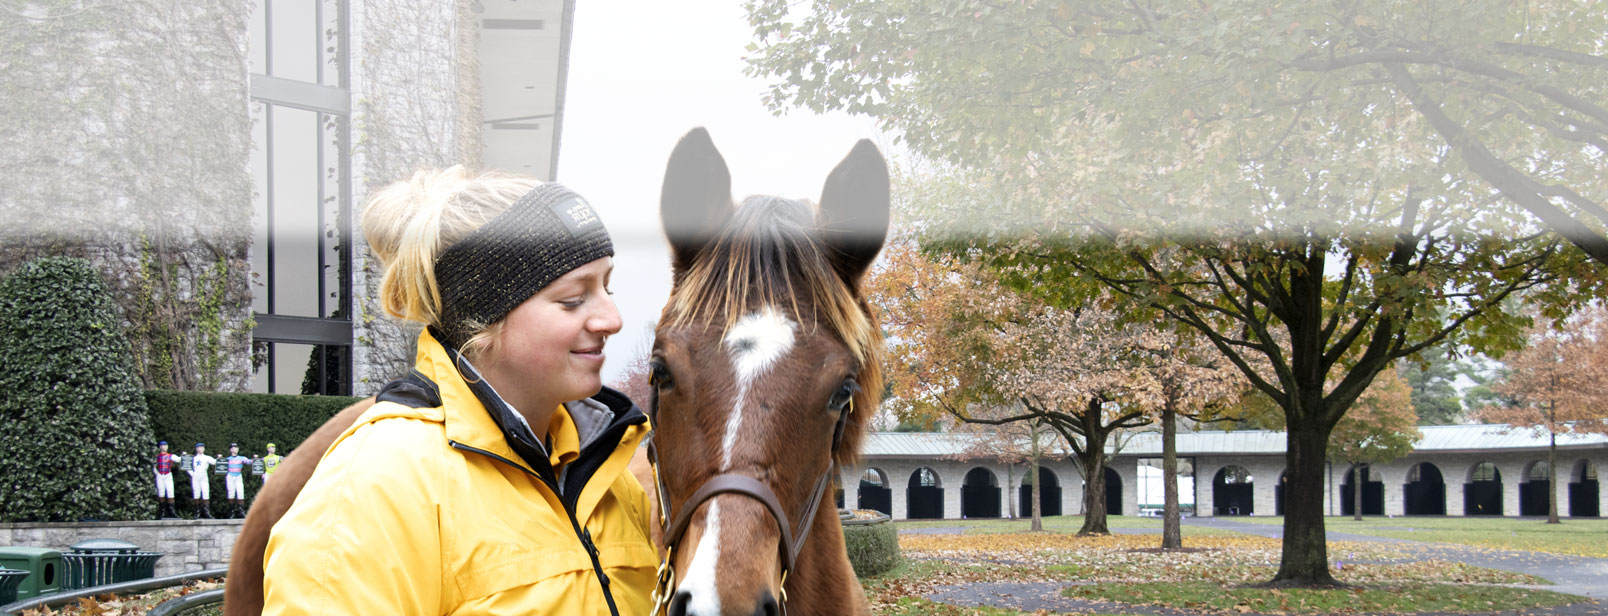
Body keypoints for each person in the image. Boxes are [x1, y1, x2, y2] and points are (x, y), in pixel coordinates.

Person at [263, 167, 654, 615]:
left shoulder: (612, 480)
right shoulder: (375, 487)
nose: (613, 318)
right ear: (484, 316)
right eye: (573, 298)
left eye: (608, 287)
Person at [188, 443, 217, 519]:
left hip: (204, 475)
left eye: (202, 447)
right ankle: (197, 512)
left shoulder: (207, 457)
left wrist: (219, 458)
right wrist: (192, 474)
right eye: (199, 447)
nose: (201, 449)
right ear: (196, 449)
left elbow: (214, 462)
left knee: (205, 493)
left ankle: (206, 512)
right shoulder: (193, 458)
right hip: (196, 476)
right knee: (196, 493)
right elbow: (187, 466)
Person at [223, 443, 252, 518]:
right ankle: (231, 512)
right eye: (234, 447)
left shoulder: (242, 458)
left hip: (238, 475)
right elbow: (220, 465)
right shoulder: (228, 459)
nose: (236, 449)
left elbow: (249, 462)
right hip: (230, 476)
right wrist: (219, 458)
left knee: (240, 492)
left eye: (237, 447)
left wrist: (256, 459)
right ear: (231, 449)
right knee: (231, 493)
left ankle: (241, 511)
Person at [154, 441, 180, 519]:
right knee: (161, 492)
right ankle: (162, 511)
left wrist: (184, 456)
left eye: (166, 445)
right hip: (160, 475)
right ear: (160, 447)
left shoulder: (171, 456)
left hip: (168, 474)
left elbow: (178, 459)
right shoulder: (157, 456)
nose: (164, 447)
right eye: (163, 445)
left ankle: (172, 511)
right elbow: (154, 466)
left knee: (170, 491)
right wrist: (157, 473)